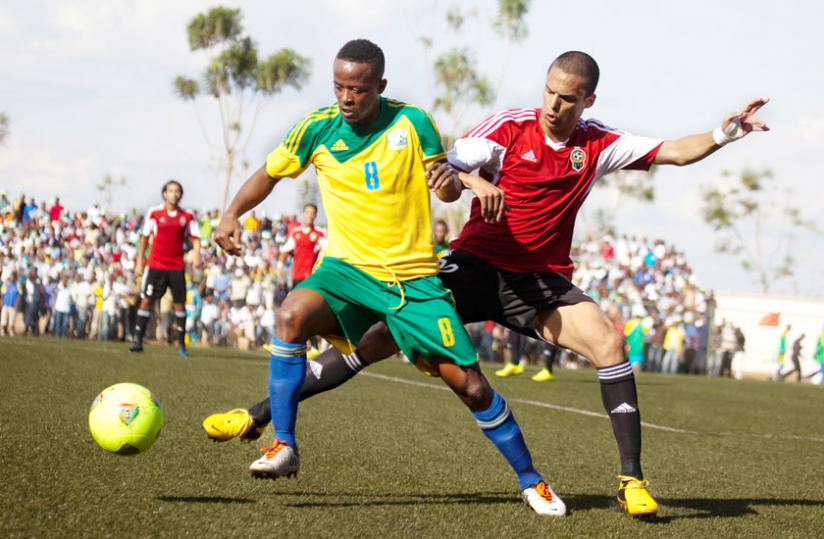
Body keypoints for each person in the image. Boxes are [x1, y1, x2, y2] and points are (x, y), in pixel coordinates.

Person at [205, 50, 768, 517]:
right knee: (377, 341)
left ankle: (631, 481)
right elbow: (447, 164)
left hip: (540, 284)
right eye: (550, 90)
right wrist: (475, 180)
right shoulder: (509, 127)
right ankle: (261, 416)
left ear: (587, 101)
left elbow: (671, 151)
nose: (554, 103)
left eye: (568, 97)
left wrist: (726, 131)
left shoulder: (598, 143)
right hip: (472, 268)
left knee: (609, 343)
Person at [211, 39, 565, 516]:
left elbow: (445, 178)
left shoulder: (412, 122)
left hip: (413, 281)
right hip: (346, 271)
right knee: (292, 314)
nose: (346, 97)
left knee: (473, 387)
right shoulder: (316, 128)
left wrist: (449, 183)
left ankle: (532, 481)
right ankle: (284, 445)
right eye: (339, 86)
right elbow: (269, 174)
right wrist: (231, 212)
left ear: (379, 86)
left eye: (357, 89)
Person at [129, 180, 202, 357]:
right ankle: (138, 341)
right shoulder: (154, 213)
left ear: (180, 195)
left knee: (179, 304)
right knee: (147, 300)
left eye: (177, 191)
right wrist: (140, 261)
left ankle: (181, 345)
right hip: (155, 265)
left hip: (176, 266)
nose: (174, 194)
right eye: (170, 191)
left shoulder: (187, 216)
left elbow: (196, 238)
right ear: (164, 194)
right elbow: (145, 238)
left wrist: (197, 256)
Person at [277, 203, 325, 288]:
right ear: (303, 214)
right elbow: (285, 251)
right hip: (296, 276)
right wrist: (280, 267)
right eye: (307, 212)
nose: (309, 215)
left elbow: (329, 250)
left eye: (312, 213)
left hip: (312, 277)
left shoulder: (320, 233)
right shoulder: (295, 232)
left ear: (315, 216)